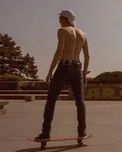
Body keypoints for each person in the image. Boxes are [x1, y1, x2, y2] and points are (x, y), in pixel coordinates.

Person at [35, 10, 90, 140]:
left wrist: (50, 71)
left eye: (60, 18)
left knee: (51, 100)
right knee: (80, 100)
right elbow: (87, 56)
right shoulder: (83, 34)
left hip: (64, 67)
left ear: (65, 18)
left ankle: (45, 132)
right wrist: (84, 74)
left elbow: (59, 51)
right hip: (77, 67)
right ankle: (82, 132)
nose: (59, 20)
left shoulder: (63, 31)